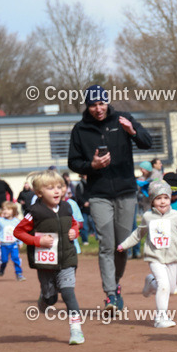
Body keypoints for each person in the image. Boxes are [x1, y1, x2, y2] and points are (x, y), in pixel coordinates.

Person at [67, 84, 152, 311]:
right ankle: (110, 295)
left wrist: (132, 132)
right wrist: (91, 166)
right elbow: (73, 162)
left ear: (107, 101)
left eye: (101, 103)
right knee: (106, 244)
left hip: (125, 191)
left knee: (121, 246)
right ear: (87, 106)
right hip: (99, 194)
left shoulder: (123, 119)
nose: (98, 108)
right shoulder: (80, 129)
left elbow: (147, 141)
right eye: (93, 105)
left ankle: (115, 283)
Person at [13, 170, 84, 345]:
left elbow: (74, 223)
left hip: (67, 258)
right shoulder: (34, 212)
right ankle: (45, 299)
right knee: (51, 298)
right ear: (39, 193)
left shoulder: (67, 207)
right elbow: (18, 231)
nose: (57, 191)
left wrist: (74, 231)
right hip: (45, 262)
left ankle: (76, 330)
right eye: (50, 188)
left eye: (59, 187)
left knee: (68, 292)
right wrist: (37, 240)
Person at [116, 180, 177, 328]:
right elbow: (137, 234)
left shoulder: (176, 216)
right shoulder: (148, 217)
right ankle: (160, 318)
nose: (162, 202)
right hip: (155, 257)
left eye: (165, 198)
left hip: (173, 257)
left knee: (172, 287)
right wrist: (124, 245)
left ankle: (150, 282)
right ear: (152, 201)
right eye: (158, 198)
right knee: (164, 285)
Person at [0, 201, 25, 280]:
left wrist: (20, 242)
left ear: (13, 211)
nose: (5, 211)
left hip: (13, 244)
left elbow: (20, 232)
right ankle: (2, 269)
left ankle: (19, 274)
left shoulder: (16, 221)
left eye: (8, 209)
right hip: (3, 244)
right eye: (4, 209)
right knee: (4, 260)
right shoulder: (0, 221)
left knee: (15, 258)